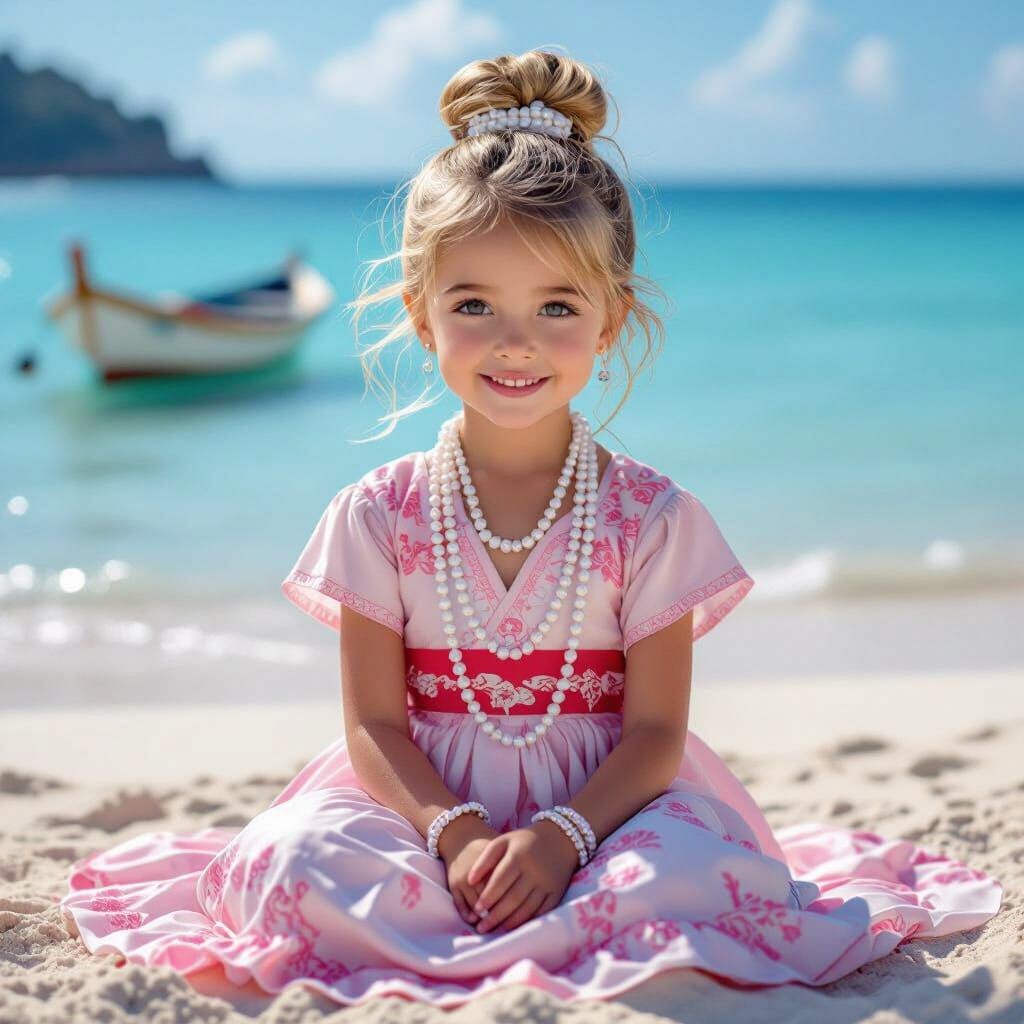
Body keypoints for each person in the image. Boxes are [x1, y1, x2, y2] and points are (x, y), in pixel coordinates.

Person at [57, 49, 1002, 1008]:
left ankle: (543, 910)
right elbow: (377, 726)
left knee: (679, 871)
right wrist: (459, 837)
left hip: (604, 809)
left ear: (613, 320)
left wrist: (561, 839)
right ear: (423, 319)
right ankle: (468, 906)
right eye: (474, 305)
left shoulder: (650, 518)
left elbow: (657, 735)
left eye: (558, 306)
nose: (516, 341)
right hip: (424, 814)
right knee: (296, 857)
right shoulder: (379, 513)